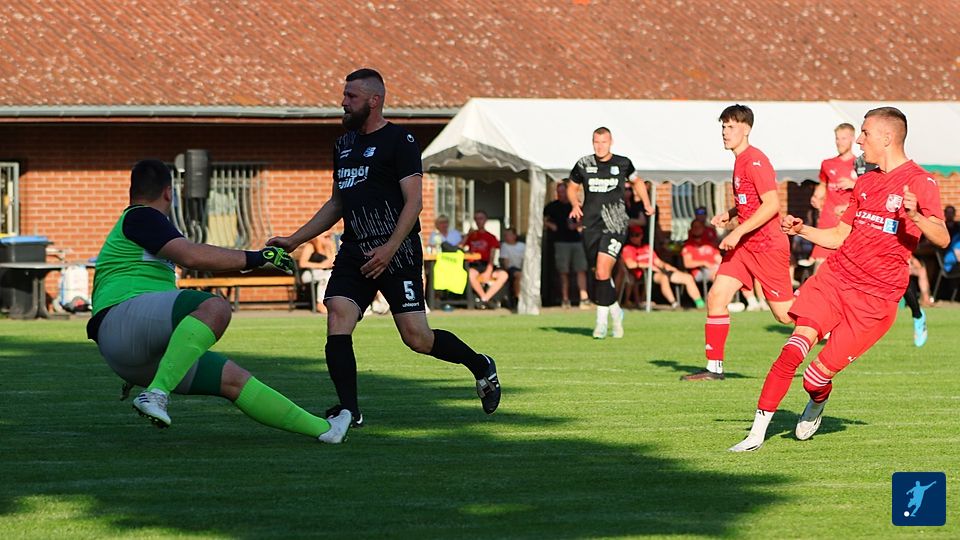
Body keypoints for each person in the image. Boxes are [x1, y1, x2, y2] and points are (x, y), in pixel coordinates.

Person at [268, 69, 500, 428]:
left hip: (398, 253)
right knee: (337, 314)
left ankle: (481, 365)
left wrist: (389, 248)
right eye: (344, 95)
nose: (343, 102)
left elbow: (414, 203)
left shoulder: (400, 141)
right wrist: (294, 239)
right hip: (355, 251)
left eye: (351, 96)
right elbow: (337, 204)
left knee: (417, 338)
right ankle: (349, 411)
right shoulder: (343, 144)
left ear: (374, 101)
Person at [729, 107, 949, 452]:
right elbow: (838, 237)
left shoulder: (921, 182)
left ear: (887, 138)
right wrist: (803, 230)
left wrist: (916, 216)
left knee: (815, 378)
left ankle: (817, 401)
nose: (859, 140)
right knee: (792, 350)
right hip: (835, 278)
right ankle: (756, 435)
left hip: (875, 299)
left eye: (865, 133)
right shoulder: (866, 181)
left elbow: (943, 238)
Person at [86, 159, 352, 443]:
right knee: (215, 307)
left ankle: (326, 430)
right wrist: (257, 258)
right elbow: (191, 256)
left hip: (130, 347)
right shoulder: (143, 216)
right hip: (124, 325)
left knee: (234, 380)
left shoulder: (134, 226)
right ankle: (157, 392)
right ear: (168, 192)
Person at [683, 104, 795, 381]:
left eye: (731, 126)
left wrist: (735, 232)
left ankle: (829, 321)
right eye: (723, 126)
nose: (725, 132)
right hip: (745, 247)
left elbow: (771, 205)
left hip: (767, 246)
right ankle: (714, 368)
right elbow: (752, 201)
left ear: (746, 129)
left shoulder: (755, 160)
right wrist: (731, 213)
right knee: (716, 297)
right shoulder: (740, 160)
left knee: (784, 316)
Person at [568, 126, 653, 339]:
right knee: (599, 274)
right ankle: (616, 311)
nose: (600, 146)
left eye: (603, 142)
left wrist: (646, 203)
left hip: (615, 224)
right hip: (591, 225)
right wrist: (574, 203)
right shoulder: (584, 163)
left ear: (611, 142)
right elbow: (571, 187)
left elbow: (637, 182)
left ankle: (601, 323)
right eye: (596, 142)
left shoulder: (623, 163)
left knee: (602, 270)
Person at [622, 226, 704, 309]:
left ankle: (700, 303)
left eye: (637, 235)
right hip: (643, 273)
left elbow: (658, 262)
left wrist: (667, 266)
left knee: (687, 277)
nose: (634, 237)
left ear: (641, 235)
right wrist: (648, 265)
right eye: (632, 235)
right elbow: (630, 264)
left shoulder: (647, 247)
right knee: (663, 278)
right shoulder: (628, 249)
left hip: (657, 270)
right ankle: (674, 303)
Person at [809, 123, 858, 266]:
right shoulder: (827, 163)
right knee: (821, 262)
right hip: (828, 218)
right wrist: (816, 196)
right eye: (837, 138)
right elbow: (823, 184)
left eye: (843, 138)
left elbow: (870, 191)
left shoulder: (861, 165)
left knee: (847, 262)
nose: (839, 142)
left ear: (852, 139)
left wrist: (854, 184)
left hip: (848, 220)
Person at [543, 181, 590, 308]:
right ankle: (565, 298)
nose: (561, 194)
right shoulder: (551, 207)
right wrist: (551, 225)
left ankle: (584, 297)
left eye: (563, 192)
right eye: (559, 192)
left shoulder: (574, 205)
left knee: (581, 269)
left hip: (576, 241)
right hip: (560, 242)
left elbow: (585, 220)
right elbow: (542, 220)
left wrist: (576, 225)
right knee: (563, 271)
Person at [462, 209, 510, 305]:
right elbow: (460, 247)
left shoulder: (491, 237)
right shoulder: (471, 236)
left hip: (486, 263)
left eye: (481, 218)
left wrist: (489, 270)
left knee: (503, 275)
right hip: (474, 265)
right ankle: (484, 298)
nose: (479, 221)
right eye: (476, 219)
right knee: (470, 274)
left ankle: (485, 298)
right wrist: (467, 235)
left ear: (485, 220)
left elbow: (492, 256)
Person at [299, 230, 336, 313]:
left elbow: (331, 263)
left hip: (323, 273)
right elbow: (302, 263)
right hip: (309, 273)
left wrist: (331, 249)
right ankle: (320, 303)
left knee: (332, 275)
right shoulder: (310, 246)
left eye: (329, 237)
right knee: (327, 276)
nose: (327, 239)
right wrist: (320, 265)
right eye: (325, 237)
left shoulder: (327, 247)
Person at [681, 220, 722, 289]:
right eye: (695, 227)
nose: (697, 228)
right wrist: (704, 263)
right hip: (700, 271)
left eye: (699, 227)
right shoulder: (688, 245)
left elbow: (718, 258)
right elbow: (687, 263)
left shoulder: (708, 244)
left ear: (703, 229)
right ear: (691, 229)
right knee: (718, 275)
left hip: (714, 268)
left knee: (728, 272)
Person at [499, 227, 525, 308]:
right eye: (505, 235)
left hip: (522, 268)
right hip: (511, 269)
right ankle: (517, 299)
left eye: (509, 235)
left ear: (514, 236)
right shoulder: (504, 246)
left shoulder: (522, 246)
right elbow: (505, 263)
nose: (507, 237)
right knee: (518, 275)